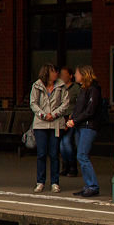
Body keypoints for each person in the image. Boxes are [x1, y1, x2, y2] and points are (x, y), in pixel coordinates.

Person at [30, 63, 69, 193]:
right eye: (53, 72)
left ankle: (55, 183)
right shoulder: (37, 85)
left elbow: (65, 103)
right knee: (41, 153)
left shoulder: (61, 86)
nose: (56, 74)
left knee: (54, 154)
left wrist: (54, 114)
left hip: (56, 123)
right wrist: (42, 114)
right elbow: (33, 103)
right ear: (46, 73)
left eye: (56, 72)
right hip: (40, 124)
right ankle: (40, 182)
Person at [65, 65, 103, 198]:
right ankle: (89, 185)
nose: (75, 75)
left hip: (88, 126)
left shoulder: (93, 90)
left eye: (76, 73)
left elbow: (90, 111)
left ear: (83, 74)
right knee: (81, 155)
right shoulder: (84, 89)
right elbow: (80, 108)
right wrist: (73, 119)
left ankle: (92, 186)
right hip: (82, 126)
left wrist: (74, 121)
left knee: (82, 155)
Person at [59, 65, 80, 177]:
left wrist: (74, 116)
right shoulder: (60, 87)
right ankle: (65, 166)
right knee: (61, 145)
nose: (61, 77)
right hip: (61, 118)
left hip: (71, 117)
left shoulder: (76, 88)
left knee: (67, 142)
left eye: (64, 75)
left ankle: (73, 167)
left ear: (70, 76)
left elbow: (79, 103)